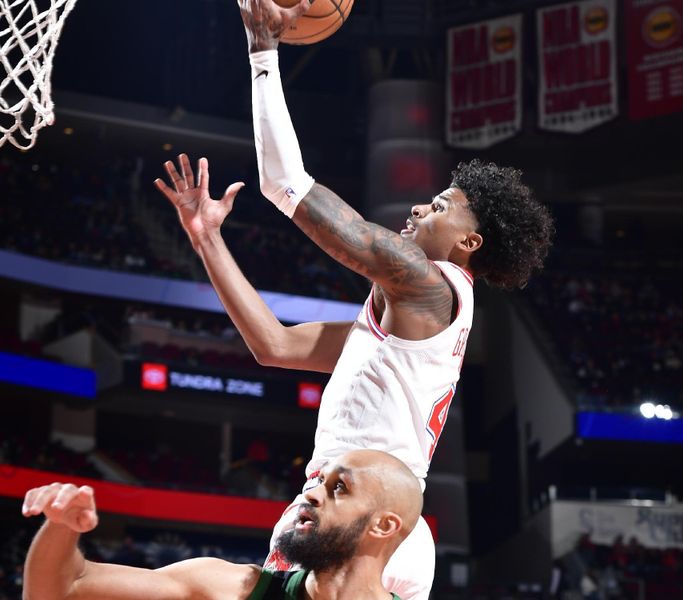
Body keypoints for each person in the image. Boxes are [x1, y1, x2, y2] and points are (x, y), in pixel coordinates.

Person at [153, 1, 554, 596]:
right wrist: (207, 239)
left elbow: (284, 185)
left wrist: (263, 53)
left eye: (441, 205)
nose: (420, 207)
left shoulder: (428, 283)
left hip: (364, 518)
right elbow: (276, 346)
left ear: (470, 241)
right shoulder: (408, 330)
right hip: (357, 514)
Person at [21, 449, 421, 600]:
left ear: (384, 526)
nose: (311, 494)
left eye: (339, 488)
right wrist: (61, 526)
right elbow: (63, 589)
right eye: (317, 482)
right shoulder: (233, 590)